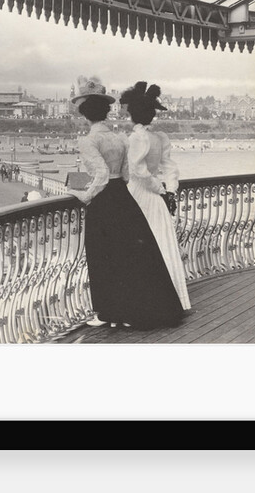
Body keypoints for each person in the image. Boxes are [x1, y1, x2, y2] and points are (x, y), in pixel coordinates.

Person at [68, 75, 184, 329]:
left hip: (104, 201)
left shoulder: (88, 140)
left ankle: (109, 312)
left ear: (85, 114)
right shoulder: (120, 138)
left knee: (103, 257)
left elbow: (100, 175)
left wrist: (84, 196)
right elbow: (127, 174)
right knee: (129, 257)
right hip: (124, 197)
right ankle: (132, 311)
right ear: (106, 112)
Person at [119, 81, 192, 312]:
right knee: (161, 244)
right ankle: (170, 299)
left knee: (137, 247)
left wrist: (161, 190)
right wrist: (170, 191)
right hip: (156, 199)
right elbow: (170, 168)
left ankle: (142, 302)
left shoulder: (137, 138)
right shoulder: (160, 137)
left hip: (139, 195)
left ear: (133, 115)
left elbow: (138, 171)